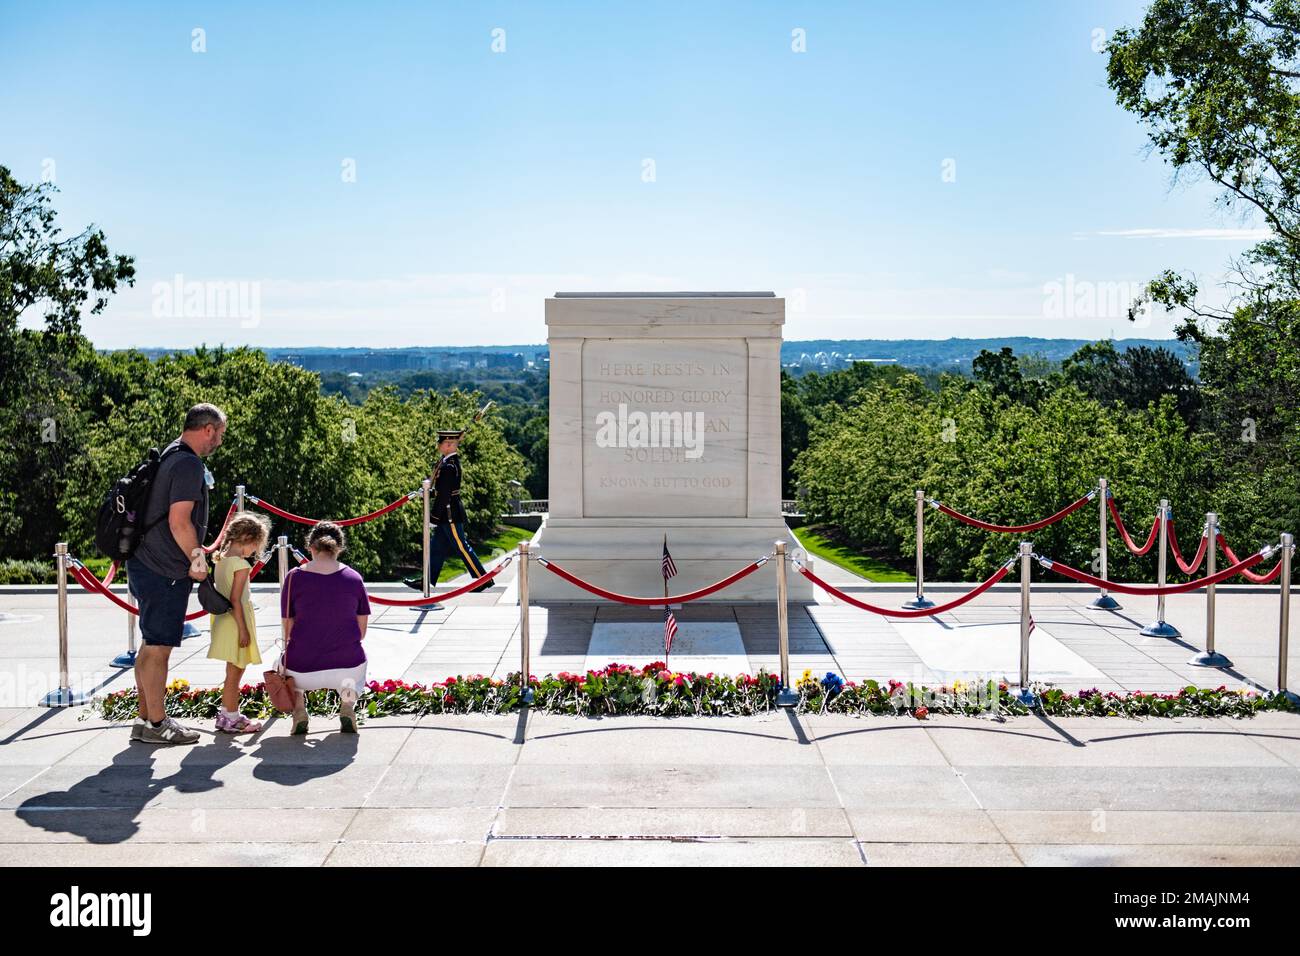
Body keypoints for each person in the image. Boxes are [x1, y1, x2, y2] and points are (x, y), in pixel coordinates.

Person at [127, 403, 226, 745]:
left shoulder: (171, 452)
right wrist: (197, 558)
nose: (220, 441)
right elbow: (179, 520)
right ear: (208, 429)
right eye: (220, 434)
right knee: (159, 648)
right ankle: (157, 723)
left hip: (145, 562)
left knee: (150, 644)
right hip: (165, 568)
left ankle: (144, 720)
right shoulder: (188, 464)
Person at [279, 521, 370, 735]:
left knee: (282, 663)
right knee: (355, 670)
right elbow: (361, 632)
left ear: (311, 547)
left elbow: (287, 630)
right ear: (338, 548)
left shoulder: (293, 577)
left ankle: (300, 708)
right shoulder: (354, 578)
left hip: (302, 668)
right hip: (346, 665)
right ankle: (347, 705)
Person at [403, 429, 493, 594]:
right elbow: (441, 490)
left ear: (450, 444)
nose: (438, 444)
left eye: (441, 442)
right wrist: (428, 492)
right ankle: (426, 581)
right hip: (446, 512)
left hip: (449, 513)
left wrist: (433, 518)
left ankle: (482, 579)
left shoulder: (449, 466)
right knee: (436, 548)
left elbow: (444, 495)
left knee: (462, 547)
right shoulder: (447, 463)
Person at [207, 512, 272, 734]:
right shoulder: (240, 564)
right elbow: (236, 599)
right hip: (236, 621)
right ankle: (233, 718)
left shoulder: (221, 559)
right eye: (255, 546)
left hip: (223, 620)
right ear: (246, 538)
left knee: (231, 671)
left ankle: (226, 714)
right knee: (236, 672)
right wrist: (244, 630)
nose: (254, 551)